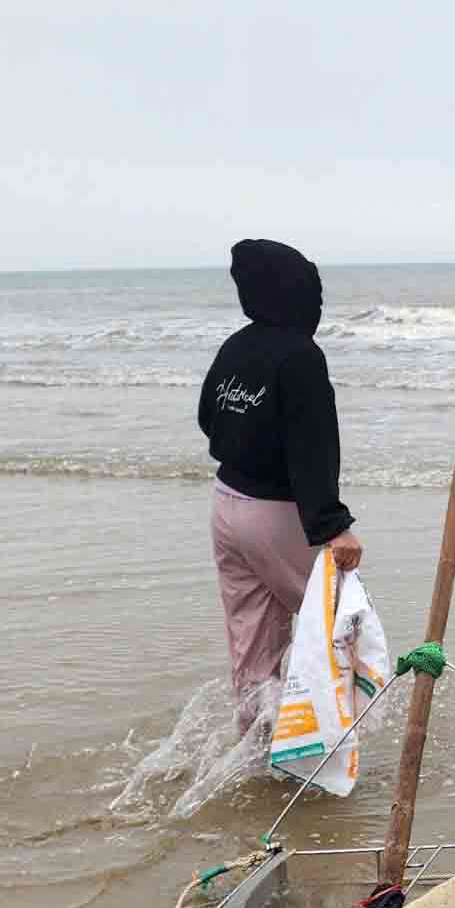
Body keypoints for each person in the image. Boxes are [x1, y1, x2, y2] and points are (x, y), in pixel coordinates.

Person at [198, 238, 363, 726]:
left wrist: (246, 445)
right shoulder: (301, 357)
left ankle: (256, 752)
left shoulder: (237, 346)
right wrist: (333, 527)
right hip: (276, 515)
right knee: (344, 627)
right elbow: (312, 448)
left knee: (253, 650)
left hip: (226, 506)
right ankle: (333, 739)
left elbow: (210, 417)